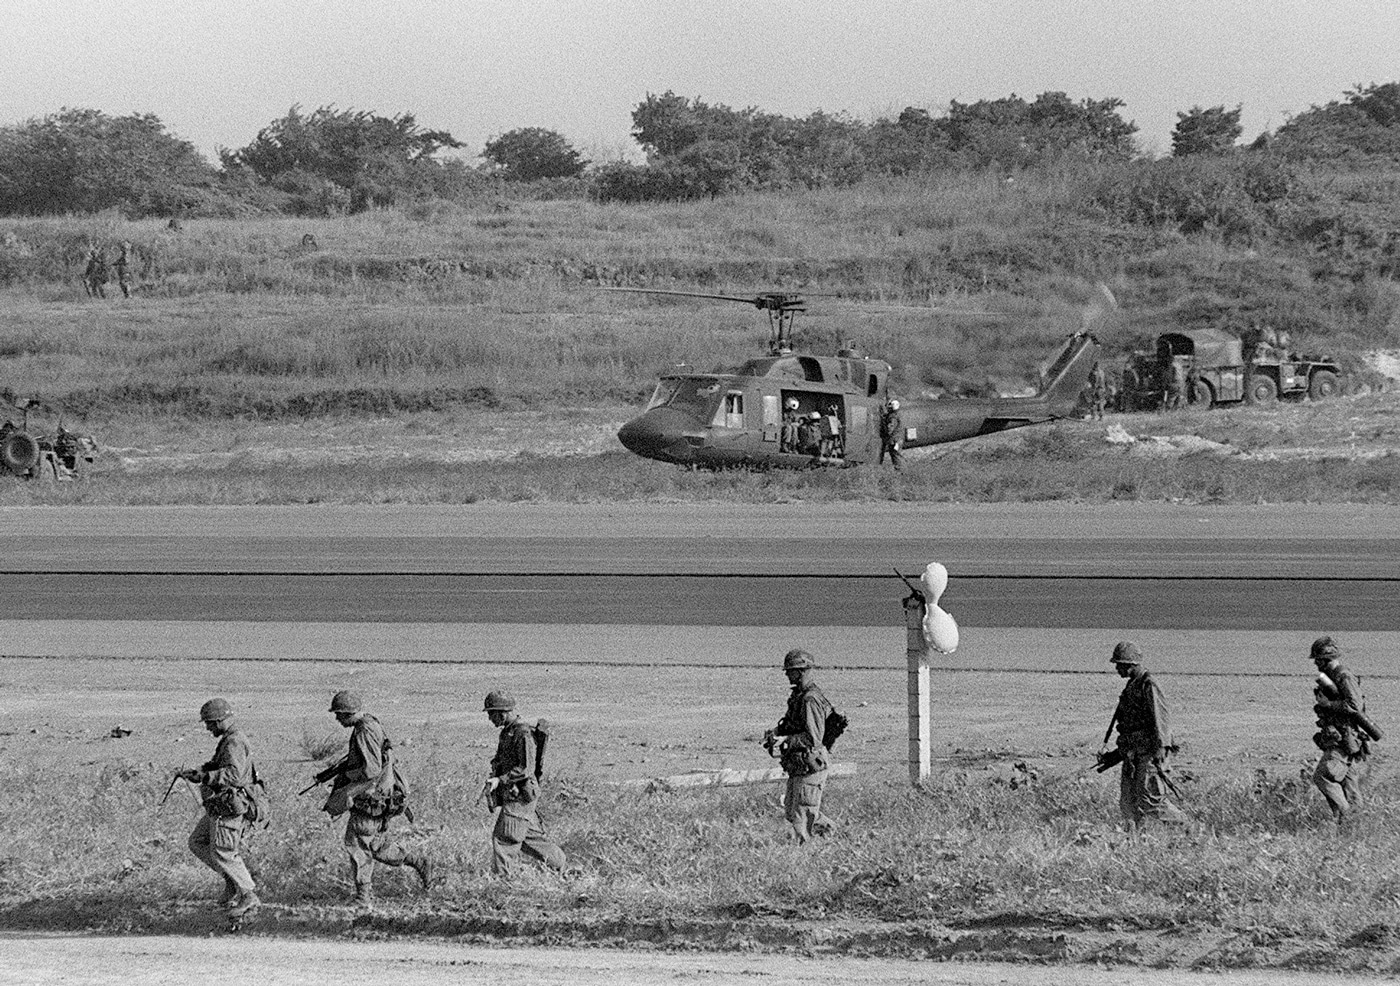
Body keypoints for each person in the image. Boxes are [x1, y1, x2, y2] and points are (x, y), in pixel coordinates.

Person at [320, 690, 431, 908]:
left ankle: (364, 898)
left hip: (370, 796)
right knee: (375, 844)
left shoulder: (364, 731)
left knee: (358, 845)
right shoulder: (371, 724)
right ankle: (418, 862)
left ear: (348, 713)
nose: (337, 719)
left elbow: (370, 770)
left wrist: (347, 777)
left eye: (339, 714)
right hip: (380, 794)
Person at [179, 698, 260, 918]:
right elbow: (219, 766)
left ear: (220, 720)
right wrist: (199, 772)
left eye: (210, 723)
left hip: (230, 806)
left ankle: (248, 895)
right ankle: (232, 881)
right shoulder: (229, 739)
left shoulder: (234, 741)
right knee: (198, 842)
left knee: (225, 851)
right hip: (220, 805)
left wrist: (205, 776)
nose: (208, 727)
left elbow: (233, 775)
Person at [1100, 642, 1188, 829]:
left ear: (1131, 664)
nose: (1117, 668)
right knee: (1128, 803)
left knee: (1151, 802)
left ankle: (1187, 827)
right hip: (1132, 753)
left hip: (1149, 754)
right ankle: (1133, 840)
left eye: (1120, 664)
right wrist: (1116, 754)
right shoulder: (1133, 686)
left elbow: (1161, 720)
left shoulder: (1149, 685)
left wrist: (1161, 752)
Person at [482, 690, 565, 875]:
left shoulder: (523, 733)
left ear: (502, 712)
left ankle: (502, 883)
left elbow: (526, 769)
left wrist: (500, 779)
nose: (490, 719)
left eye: (491, 714)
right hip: (515, 793)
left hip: (521, 795)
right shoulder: (508, 733)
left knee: (504, 838)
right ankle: (561, 865)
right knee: (528, 838)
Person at [763, 649, 837, 843]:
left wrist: (786, 741)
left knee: (801, 815)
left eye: (791, 670)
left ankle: (802, 854)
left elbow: (813, 739)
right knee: (793, 810)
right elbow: (795, 725)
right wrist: (777, 733)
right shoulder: (800, 696)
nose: (787, 674)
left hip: (811, 763)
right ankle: (837, 838)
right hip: (801, 764)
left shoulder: (809, 699)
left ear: (802, 671)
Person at [1309, 636, 1373, 825]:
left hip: (1344, 737)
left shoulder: (1343, 676)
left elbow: (1355, 705)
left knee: (1322, 776)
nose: (1315, 663)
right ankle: (1354, 829)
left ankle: (1347, 819)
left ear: (1325, 658)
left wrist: (1327, 704)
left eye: (1317, 659)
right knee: (1349, 785)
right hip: (1342, 737)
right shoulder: (1332, 677)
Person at [879, 399, 904, 469]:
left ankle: (899, 473)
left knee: (896, 458)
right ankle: (900, 472)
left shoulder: (893, 417)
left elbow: (890, 429)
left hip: (894, 441)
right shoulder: (898, 414)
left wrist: (883, 428)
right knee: (897, 456)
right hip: (898, 439)